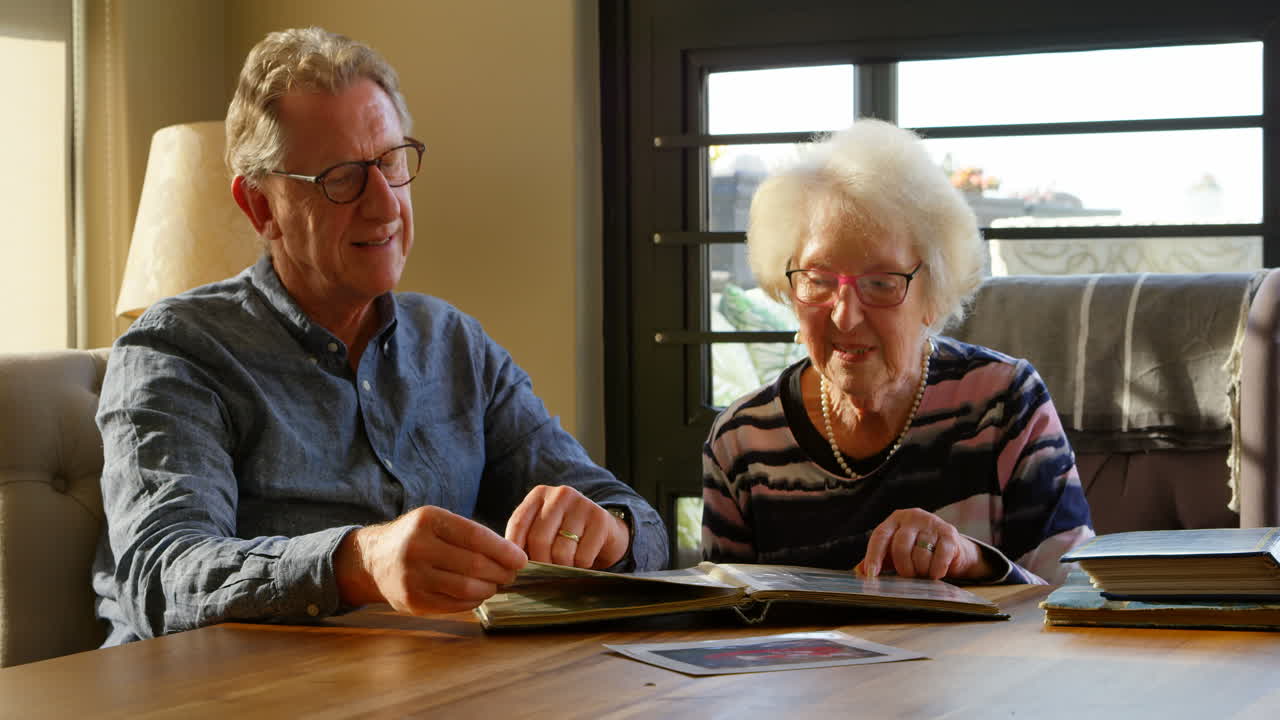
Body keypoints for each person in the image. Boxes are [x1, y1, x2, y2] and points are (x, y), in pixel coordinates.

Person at [91, 27, 666, 645]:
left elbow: (643, 525)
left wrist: (608, 530)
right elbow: (161, 579)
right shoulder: (177, 350)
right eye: (341, 178)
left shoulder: (454, 344)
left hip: (420, 685)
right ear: (260, 207)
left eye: (391, 163)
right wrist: (357, 563)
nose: (385, 205)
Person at [700, 119, 1092, 585]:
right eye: (820, 280)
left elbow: (1076, 598)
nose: (845, 315)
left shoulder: (1002, 402)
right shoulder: (744, 442)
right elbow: (727, 623)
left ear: (934, 292)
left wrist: (974, 562)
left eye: (881, 283)